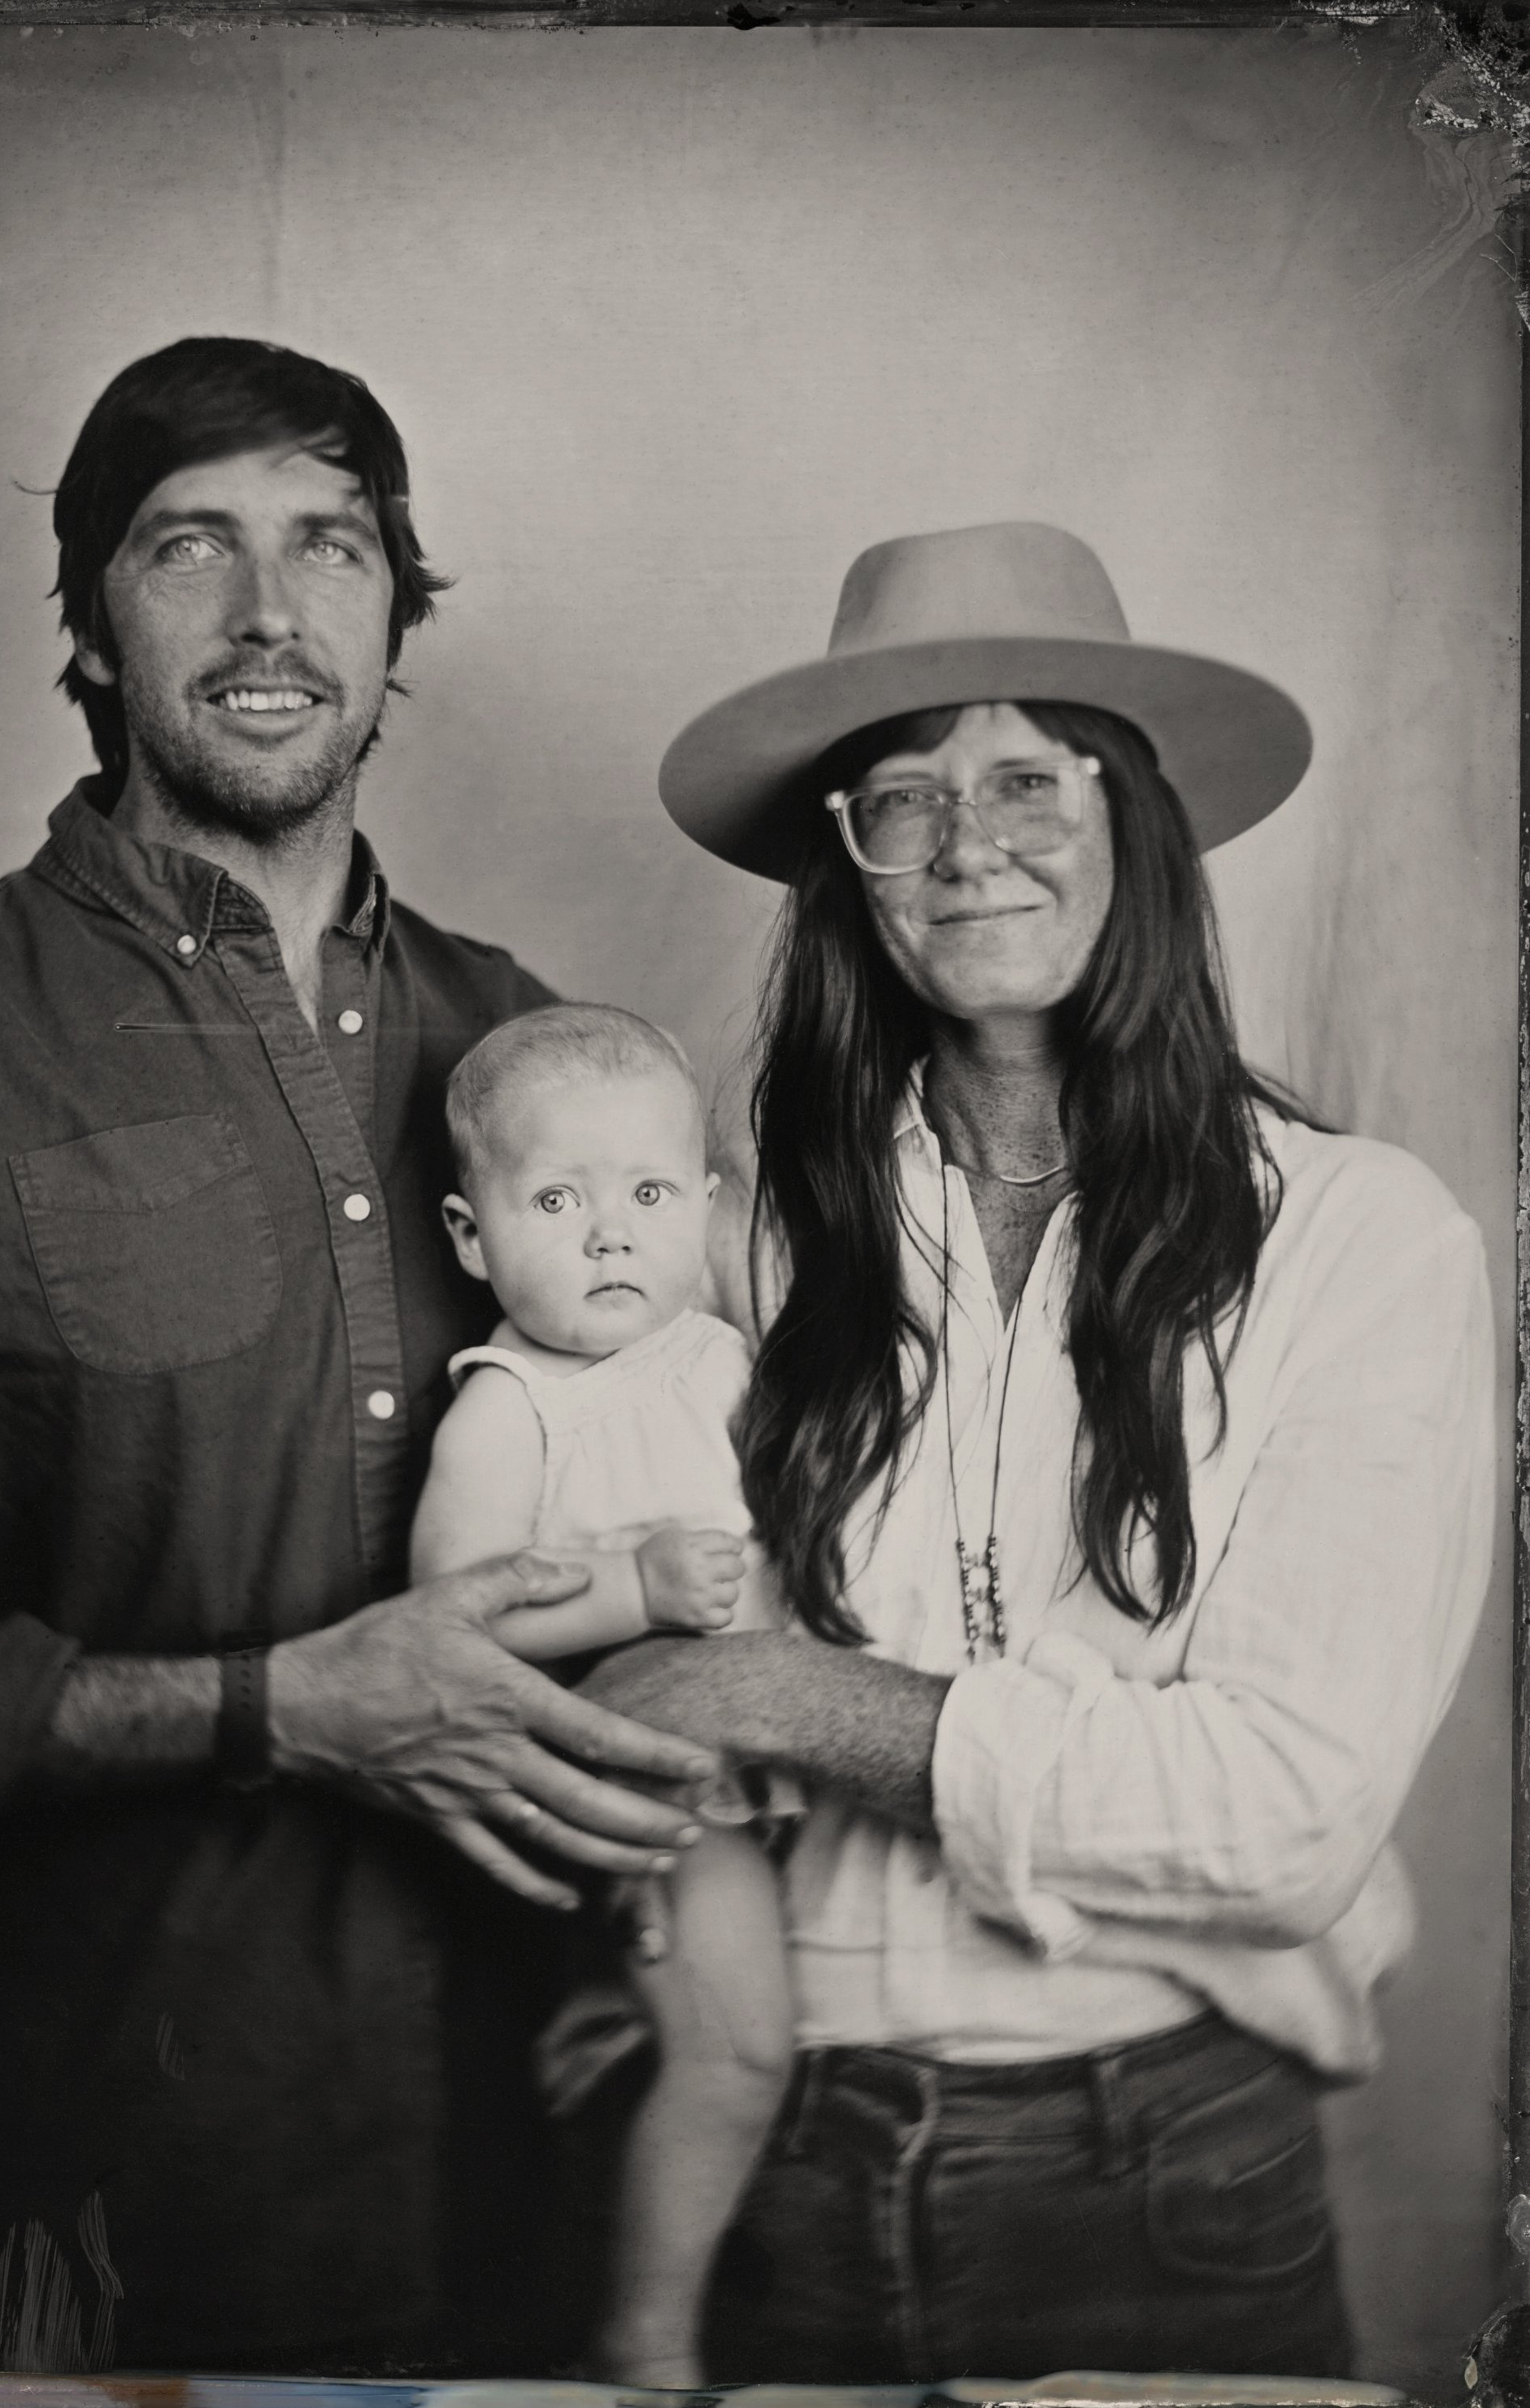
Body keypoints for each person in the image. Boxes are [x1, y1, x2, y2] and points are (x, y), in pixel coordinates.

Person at [0, 336, 719, 2377]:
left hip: (510, 2202)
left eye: (333, 546)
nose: (269, 613)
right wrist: (269, 1707)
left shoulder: (532, 1055)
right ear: (90, 618)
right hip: (58, 2223)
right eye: (189, 546)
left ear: (396, 622)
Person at [574, 520, 1495, 2380]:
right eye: (902, 798)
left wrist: (782, 1693)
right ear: (850, 868)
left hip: (1164, 2167)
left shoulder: (1357, 1239)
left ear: (1134, 819)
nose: (965, 841)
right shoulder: (745, 1239)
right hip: (780, 2153)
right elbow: (619, 1628)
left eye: (1026, 779)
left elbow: (1286, 1814)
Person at [409, 1002, 795, 2388]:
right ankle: (648, 2338)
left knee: (716, 2031)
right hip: (657, 1784)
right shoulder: (512, 1406)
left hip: (782, 1750)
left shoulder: (721, 1353)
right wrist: (633, 1586)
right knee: (744, 2054)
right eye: (559, 1201)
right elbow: (452, 1614)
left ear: (707, 1206)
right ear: (473, 1237)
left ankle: (610, 2033)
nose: (610, 1237)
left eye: (647, 1196)